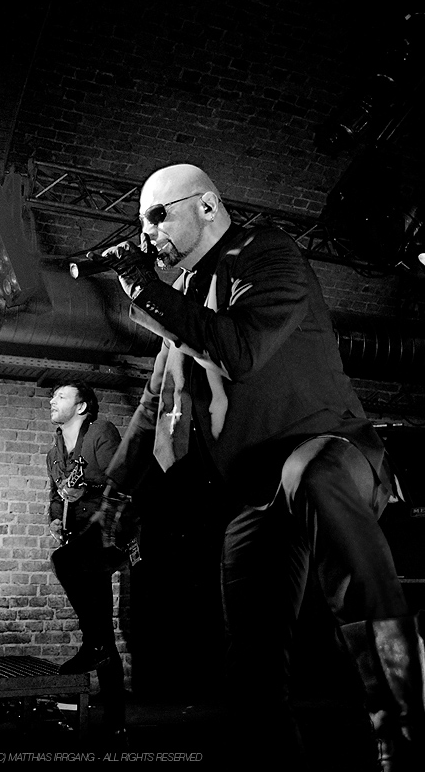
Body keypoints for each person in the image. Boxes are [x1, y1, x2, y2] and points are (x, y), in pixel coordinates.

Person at [93, 163, 425, 770]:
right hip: (262, 491)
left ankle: (402, 723)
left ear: (208, 208)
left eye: (158, 215)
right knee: (251, 662)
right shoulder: (183, 297)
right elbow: (155, 405)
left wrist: (142, 286)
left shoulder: (265, 252)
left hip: (333, 449)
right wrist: (116, 491)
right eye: (141, 221)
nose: (147, 233)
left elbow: (240, 351)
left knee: (312, 476)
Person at [46, 379, 128, 746]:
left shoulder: (100, 433)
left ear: (81, 406)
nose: (53, 400)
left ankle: (94, 647)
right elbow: (54, 495)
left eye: (61, 396)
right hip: (80, 540)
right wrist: (54, 518)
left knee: (62, 560)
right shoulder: (53, 453)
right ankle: (116, 723)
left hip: (106, 533)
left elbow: (121, 480)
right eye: (53, 396)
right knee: (102, 634)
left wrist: (88, 488)